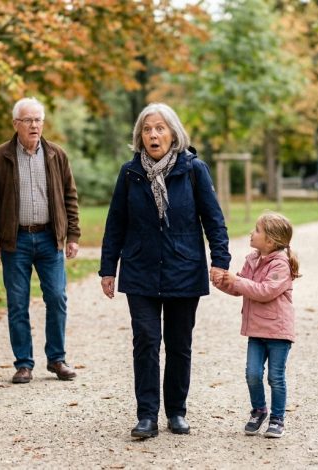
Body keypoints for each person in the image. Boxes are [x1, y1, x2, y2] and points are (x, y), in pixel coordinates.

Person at [99, 103, 231, 439]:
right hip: (140, 269)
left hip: (184, 268)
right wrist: (107, 268)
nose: (153, 134)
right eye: (147, 129)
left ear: (173, 133)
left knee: (179, 344)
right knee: (145, 340)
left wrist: (220, 261)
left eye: (160, 128)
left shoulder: (193, 169)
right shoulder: (130, 173)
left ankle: (176, 411)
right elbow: (116, 223)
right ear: (139, 136)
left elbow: (214, 220)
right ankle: (146, 415)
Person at [0, 97, 81, 385]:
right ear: (16, 124)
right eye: (28, 120)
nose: (34, 125)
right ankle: (23, 364)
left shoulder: (57, 155)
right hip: (16, 241)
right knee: (17, 303)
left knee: (57, 298)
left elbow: (70, 197)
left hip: (49, 238)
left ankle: (57, 359)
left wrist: (72, 235)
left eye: (38, 120)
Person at [214, 211, 299, 439]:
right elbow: (240, 287)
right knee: (252, 374)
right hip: (256, 330)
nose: (252, 233)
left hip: (278, 331)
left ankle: (277, 418)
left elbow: (264, 291)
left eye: (257, 230)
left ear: (270, 241)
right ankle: (259, 410)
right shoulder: (251, 260)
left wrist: (238, 281)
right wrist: (223, 282)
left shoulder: (281, 265)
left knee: (275, 377)